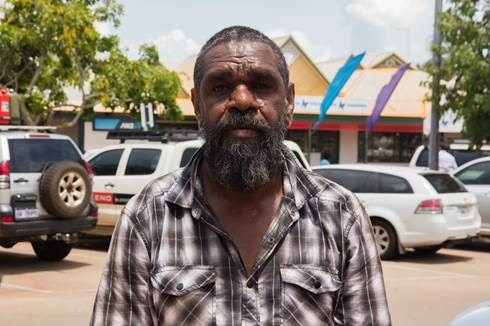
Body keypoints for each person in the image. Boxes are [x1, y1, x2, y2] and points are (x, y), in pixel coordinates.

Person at [90, 26, 391, 326]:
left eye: (261, 85)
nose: (243, 100)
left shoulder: (340, 214)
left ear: (288, 101)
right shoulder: (148, 216)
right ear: (197, 105)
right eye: (220, 88)